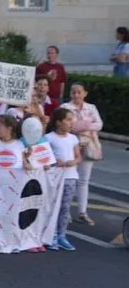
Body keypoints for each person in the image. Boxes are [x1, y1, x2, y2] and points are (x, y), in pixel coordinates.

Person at [61, 82, 103, 226]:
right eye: (74, 92)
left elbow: (99, 124)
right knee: (68, 178)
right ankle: (65, 212)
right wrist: (85, 125)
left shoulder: (91, 108)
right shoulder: (65, 107)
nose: (76, 95)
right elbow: (65, 124)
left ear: (85, 93)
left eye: (79, 92)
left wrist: (82, 126)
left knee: (83, 180)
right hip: (70, 146)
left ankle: (82, 212)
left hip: (88, 146)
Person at [45, 107, 81, 252]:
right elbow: (45, 156)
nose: (71, 123)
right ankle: (51, 235)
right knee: (53, 206)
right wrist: (55, 161)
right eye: (68, 120)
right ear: (59, 122)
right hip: (55, 178)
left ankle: (61, 235)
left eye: (72, 120)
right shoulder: (49, 137)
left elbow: (78, 155)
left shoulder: (73, 138)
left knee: (65, 208)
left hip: (70, 176)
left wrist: (74, 161)